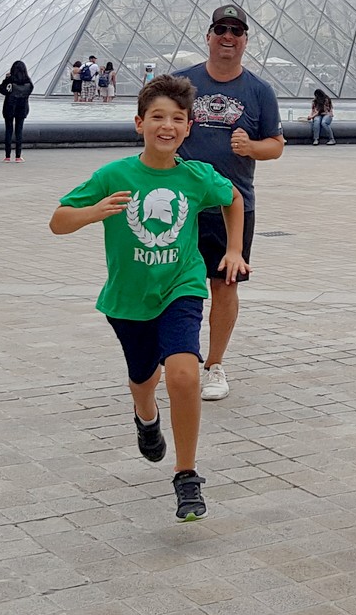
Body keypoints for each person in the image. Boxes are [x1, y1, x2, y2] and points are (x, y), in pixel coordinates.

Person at [49, 74, 247, 521]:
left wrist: (233, 249)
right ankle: (145, 416)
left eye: (178, 118)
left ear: (189, 127)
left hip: (182, 286)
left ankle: (187, 474)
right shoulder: (114, 175)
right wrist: (92, 213)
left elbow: (233, 197)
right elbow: (57, 220)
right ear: (139, 123)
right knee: (143, 380)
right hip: (128, 299)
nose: (167, 126)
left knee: (183, 374)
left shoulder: (197, 176)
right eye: (157, 117)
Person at [175, 4, 284, 402]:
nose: (228, 36)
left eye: (236, 31)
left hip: (232, 207)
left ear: (245, 41)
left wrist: (251, 146)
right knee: (172, 283)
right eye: (221, 28)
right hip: (180, 202)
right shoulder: (182, 83)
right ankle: (176, 356)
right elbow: (158, 124)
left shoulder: (259, 91)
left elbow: (275, 146)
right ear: (208, 35)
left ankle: (214, 365)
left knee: (225, 284)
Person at [0, 61, 34, 162]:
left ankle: (7, 156)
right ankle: (18, 156)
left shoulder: (10, 80)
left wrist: (6, 79)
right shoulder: (28, 81)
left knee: (8, 131)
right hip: (22, 108)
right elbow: (30, 91)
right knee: (19, 131)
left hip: (9, 107)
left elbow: (1, 90)